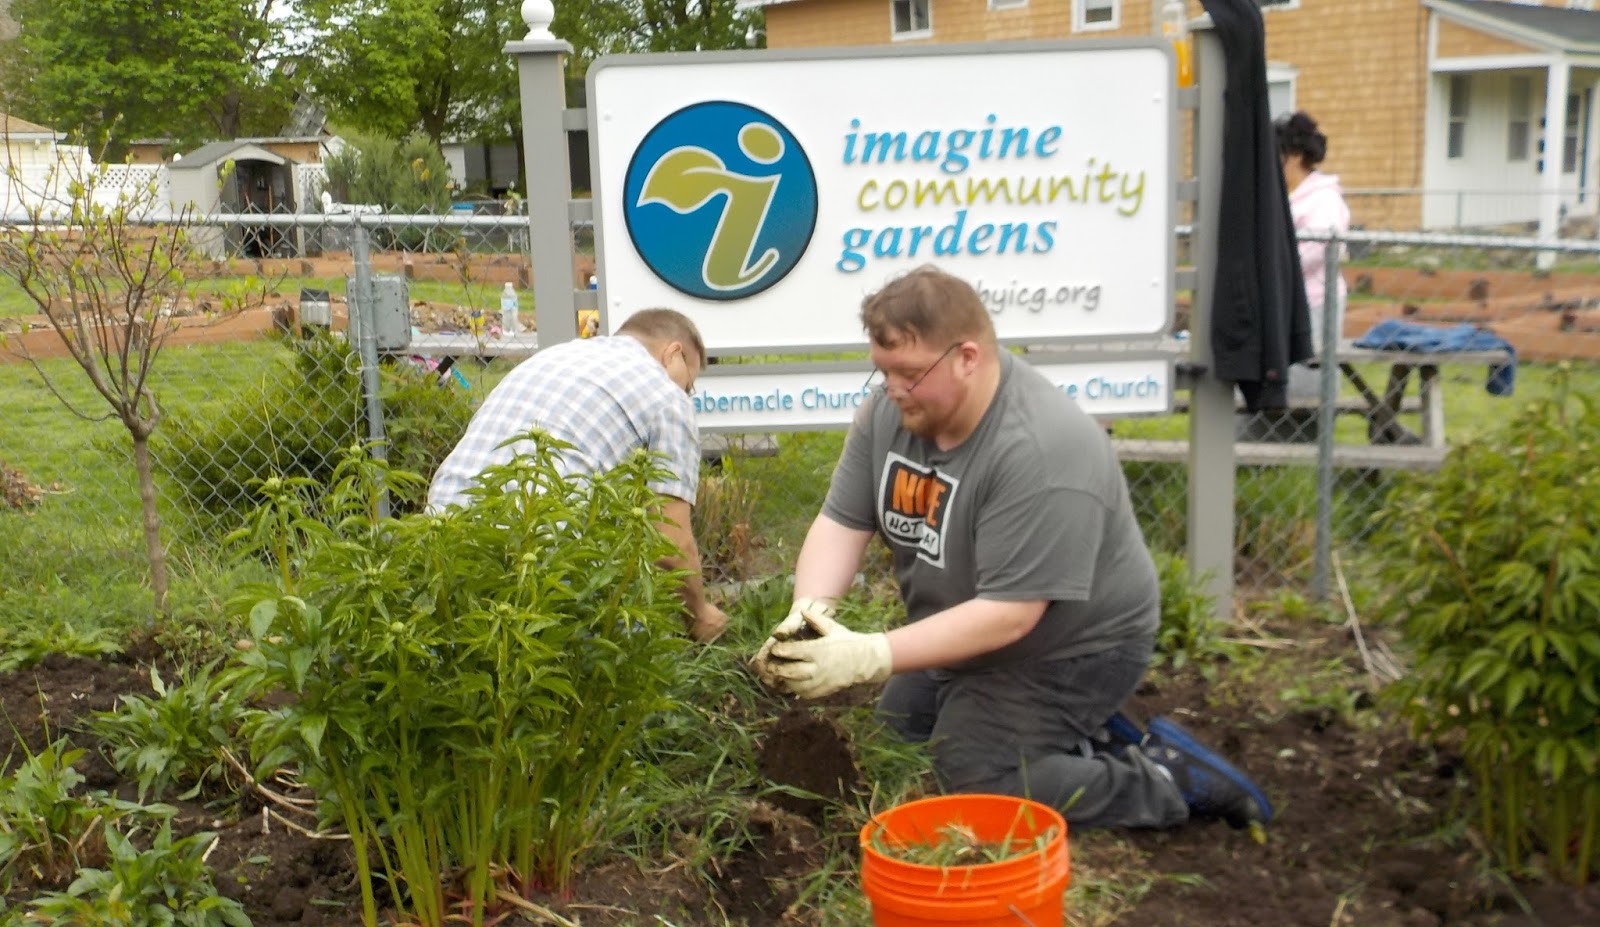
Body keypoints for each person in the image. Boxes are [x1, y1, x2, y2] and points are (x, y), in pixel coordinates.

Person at [752, 267, 1271, 830]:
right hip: (969, 625)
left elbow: (1011, 615)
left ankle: (1162, 781)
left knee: (975, 777)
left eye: (907, 374)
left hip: (1075, 646)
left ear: (967, 357)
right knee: (894, 740)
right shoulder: (892, 412)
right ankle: (1072, 736)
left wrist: (872, 653)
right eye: (883, 373)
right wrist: (809, 613)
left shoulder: (1041, 447)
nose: (892, 390)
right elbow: (842, 521)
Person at [427, 308, 727, 643]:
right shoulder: (667, 397)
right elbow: (669, 541)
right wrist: (700, 615)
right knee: (628, 623)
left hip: (440, 532)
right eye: (690, 383)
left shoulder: (553, 357)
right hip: (534, 550)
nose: (686, 393)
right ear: (673, 354)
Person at [1278, 110, 1350, 403]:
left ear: (1294, 156)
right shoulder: (1288, 195)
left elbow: (1315, 249)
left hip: (1314, 305)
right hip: (1285, 303)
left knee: (1306, 373)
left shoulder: (1324, 199)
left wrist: (1270, 265)